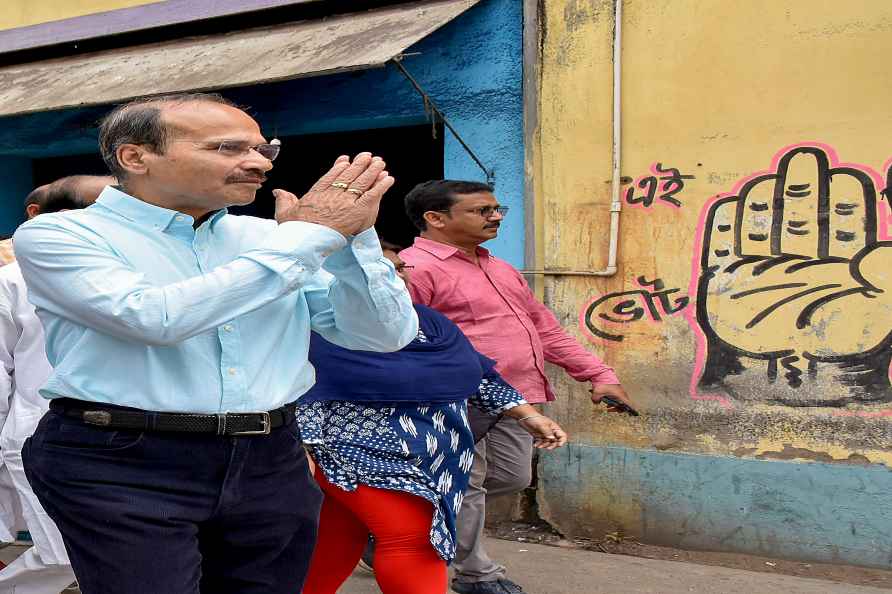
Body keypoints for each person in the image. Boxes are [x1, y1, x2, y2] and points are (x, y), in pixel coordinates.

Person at [14, 93, 418, 594]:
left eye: (263, 150)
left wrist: (351, 240)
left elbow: (381, 335)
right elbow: (154, 317)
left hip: (270, 455)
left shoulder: (271, 237)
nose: (256, 163)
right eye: (227, 148)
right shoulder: (61, 233)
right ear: (135, 157)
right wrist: (311, 236)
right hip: (120, 456)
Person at [400, 180, 636, 594]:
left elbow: (544, 328)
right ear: (435, 219)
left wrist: (599, 375)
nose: (495, 217)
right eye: (480, 210)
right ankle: (476, 575)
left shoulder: (499, 266)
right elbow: (403, 341)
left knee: (511, 477)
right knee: (465, 485)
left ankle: (403, 528)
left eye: (496, 209)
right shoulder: (414, 270)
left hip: (518, 396)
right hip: (452, 400)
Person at [298, 240, 567, 594]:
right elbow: (301, 390)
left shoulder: (433, 324)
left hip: (437, 455)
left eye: (398, 268)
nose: (396, 277)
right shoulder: (320, 330)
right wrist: (303, 451)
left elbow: (477, 373)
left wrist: (526, 414)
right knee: (414, 537)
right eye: (381, 271)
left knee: (340, 532)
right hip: (358, 451)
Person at [0, 175, 113, 594]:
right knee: (67, 551)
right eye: (94, 208)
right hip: (39, 434)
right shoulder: (13, 281)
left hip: (134, 440)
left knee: (85, 551)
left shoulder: (136, 274)